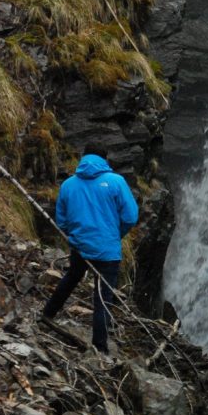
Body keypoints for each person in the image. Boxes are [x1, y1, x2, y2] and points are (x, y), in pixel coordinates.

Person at [42, 144, 138, 354]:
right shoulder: (116, 182)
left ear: (83, 157)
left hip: (80, 247)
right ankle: (100, 348)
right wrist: (116, 235)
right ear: (106, 159)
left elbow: (62, 220)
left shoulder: (68, 184)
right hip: (108, 250)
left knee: (71, 278)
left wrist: (76, 237)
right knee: (103, 298)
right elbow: (131, 217)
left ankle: (48, 313)